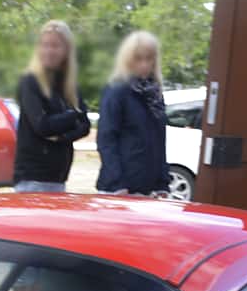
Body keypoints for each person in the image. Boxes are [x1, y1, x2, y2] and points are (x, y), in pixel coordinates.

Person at [13, 20, 88, 193]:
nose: (49, 51)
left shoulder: (69, 84)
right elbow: (42, 126)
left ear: (66, 50)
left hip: (58, 177)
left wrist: (61, 137)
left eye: (55, 46)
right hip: (32, 178)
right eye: (45, 45)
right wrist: (72, 116)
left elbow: (84, 126)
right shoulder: (30, 81)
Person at [97, 31, 170, 197]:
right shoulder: (116, 90)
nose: (144, 64)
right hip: (119, 189)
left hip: (148, 189)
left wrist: (162, 183)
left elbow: (160, 141)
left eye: (149, 58)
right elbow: (106, 139)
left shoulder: (155, 94)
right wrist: (118, 185)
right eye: (138, 58)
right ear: (128, 59)